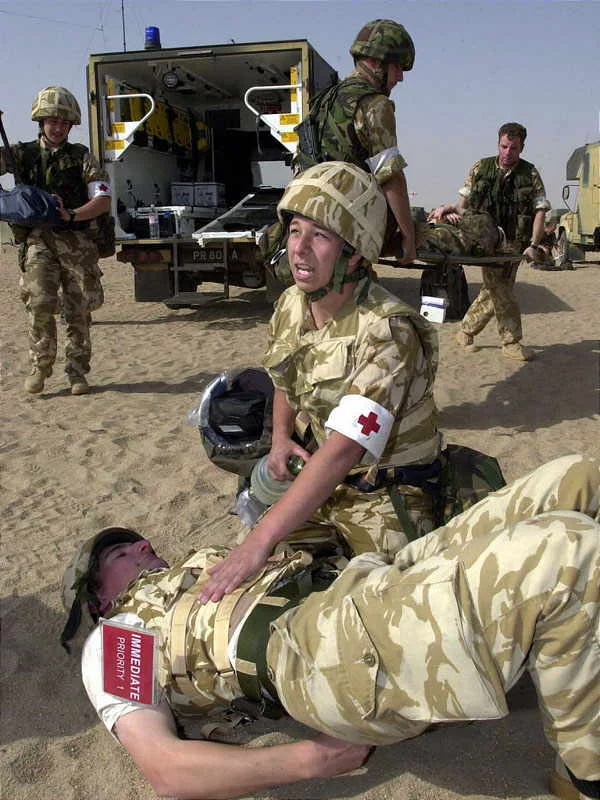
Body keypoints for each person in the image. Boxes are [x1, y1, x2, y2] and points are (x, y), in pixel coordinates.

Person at [61, 454, 600, 800]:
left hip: (366, 587)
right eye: (116, 552)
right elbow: (166, 769)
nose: (138, 544)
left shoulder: (195, 569)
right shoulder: (118, 636)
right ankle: (584, 776)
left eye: (133, 539)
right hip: (316, 653)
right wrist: (311, 758)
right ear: (99, 599)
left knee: (576, 480)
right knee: (570, 551)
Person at [201, 161, 442, 601]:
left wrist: (260, 541)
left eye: (320, 236)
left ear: (354, 253)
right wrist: (278, 440)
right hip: (320, 479)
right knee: (260, 588)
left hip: (383, 494)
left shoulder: (387, 331)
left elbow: (344, 449)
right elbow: (284, 378)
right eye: (295, 230)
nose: (299, 249)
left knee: (383, 605)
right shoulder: (293, 305)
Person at [0, 86, 111, 395]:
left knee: (78, 310)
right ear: (41, 121)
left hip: (76, 243)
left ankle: (77, 372)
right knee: (39, 304)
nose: (58, 127)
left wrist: (72, 215)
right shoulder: (21, 154)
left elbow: (103, 199)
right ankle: (40, 367)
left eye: (64, 123)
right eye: (52, 121)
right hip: (38, 242)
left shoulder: (82, 157)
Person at [293, 18, 417, 265]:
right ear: (375, 62)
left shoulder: (323, 101)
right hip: (347, 231)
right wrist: (409, 236)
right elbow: (390, 176)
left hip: (310, 222)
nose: (400, 77)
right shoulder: (375, 104)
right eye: (397, 67)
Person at [431, 122, 550, 361]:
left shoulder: (530, 174)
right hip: (485, 242)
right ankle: (511, 341)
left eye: (513, 148)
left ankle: (465, 331)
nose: (507, 153)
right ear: (498, 144)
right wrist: (454, 212)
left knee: (494, 288)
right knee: (502, 288)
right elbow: (463, 205)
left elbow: (540, 212)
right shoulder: (481, 168)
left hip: (514, 244)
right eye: (504, 146)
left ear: (522, 148)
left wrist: (534, 245)